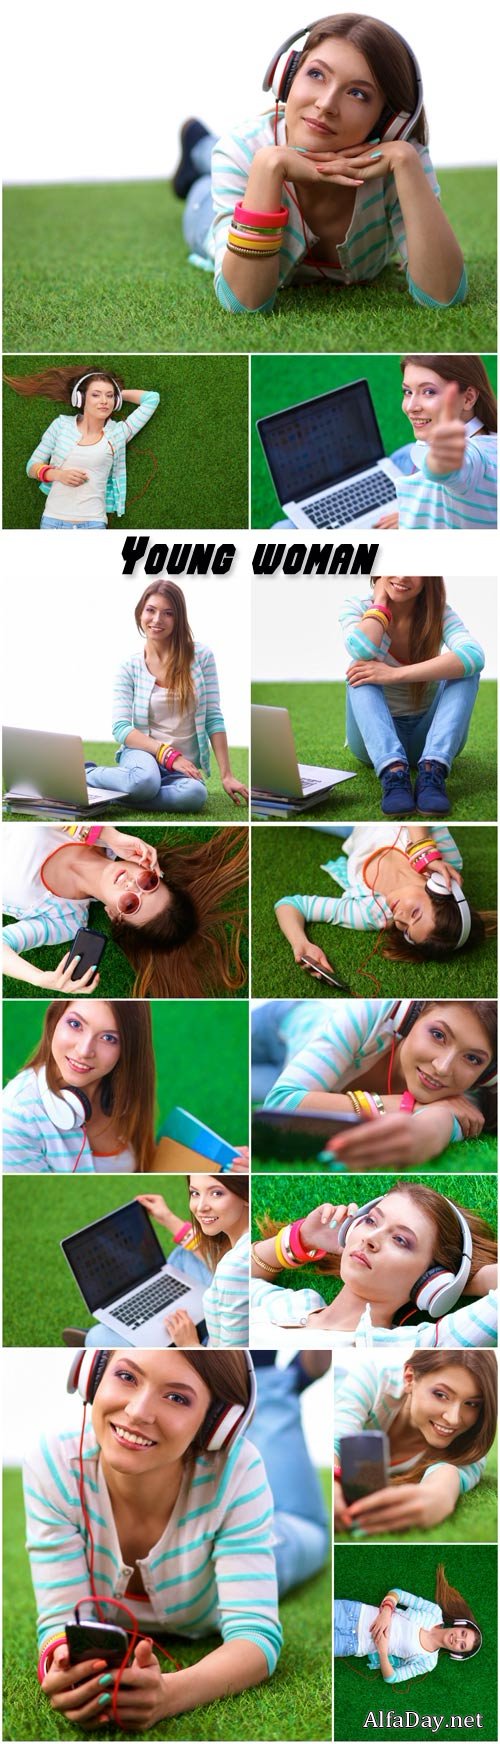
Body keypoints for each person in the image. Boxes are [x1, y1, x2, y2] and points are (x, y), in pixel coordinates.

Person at [24, 1350, 282, 1729]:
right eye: (127, 1377)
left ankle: (281, 1385)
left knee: (305, 1536)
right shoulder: (53, 1465)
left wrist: (170, 1694)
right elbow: (60, 1623)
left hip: (274, 1548)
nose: (138, 1412)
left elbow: (256, 1634)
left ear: (215, 1424)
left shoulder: (239, 1469)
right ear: (92, 1376)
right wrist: (59, 1661)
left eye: (177, 1397)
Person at [174, 16, 466, 314]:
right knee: (205, 181)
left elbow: (442, 295)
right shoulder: (242, 152)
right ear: (287, 76)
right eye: (316, 74)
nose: (326, 104)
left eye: (358, 93)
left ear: (388, 121)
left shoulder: (403, 161)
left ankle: (200, 144)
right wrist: (267, 167)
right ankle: (199, 144)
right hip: (210, 203)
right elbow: (243, 302)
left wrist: (406, 162)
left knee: (218, 154)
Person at [2, 821, 248, 999]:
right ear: (152, 868)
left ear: (113, 915)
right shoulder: (103, 833)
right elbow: (42, 804)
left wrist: (39, 979)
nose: (132, 885)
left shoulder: (65, 920)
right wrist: (110, 836)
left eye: (130, 904)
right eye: (148, 883)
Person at [260, 998, 497, 1171]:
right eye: (438, 1035)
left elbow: (436, 1126)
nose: (443, 1067)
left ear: (488, 1075)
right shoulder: (370, 1013)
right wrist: (407, 1106)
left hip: (287, 1075)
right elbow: (282, 1104)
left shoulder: (468, 1095)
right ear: (411, 1017)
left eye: (473, 1058)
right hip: (284, 1022)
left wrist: (425, 1134)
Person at [250, 1183, 497, 1348]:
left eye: (400, 1240)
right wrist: (300, 1239)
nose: (370, 1238)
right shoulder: (295, 1304)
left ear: (431, 1281)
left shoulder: (412, 1346)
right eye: (370, 1221)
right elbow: (231, 1277)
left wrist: (466, 1282)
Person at [85, 580, 248, 814]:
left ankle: (113, 795)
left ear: (178, 618)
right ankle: (87, 774)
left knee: (194, 795)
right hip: (143, 757)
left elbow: (213, 717)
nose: (157, 619)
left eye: (168, 613)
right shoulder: (129, 667)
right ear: (140, 613)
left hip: (183, 767)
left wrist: (227, 775)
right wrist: (166, 753)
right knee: (145, 781)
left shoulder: (201, 657)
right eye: (151, 610)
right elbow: (121, 728)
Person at [340, 576, 485, 816]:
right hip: (372, 743)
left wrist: (393, 675)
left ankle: (432, 769)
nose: (403, 576)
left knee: (467, 671)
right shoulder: (357, 606)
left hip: (428, 737)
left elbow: (474, 655)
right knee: (360, 667)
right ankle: (392, 770)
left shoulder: (438, 613)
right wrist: (380, 602)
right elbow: (361, 648)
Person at [274, 822, 495, 972]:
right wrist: (423, 851)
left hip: (350, 830)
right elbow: (420, 812)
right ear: (440, 890)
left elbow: (290, 905)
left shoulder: (372, 913)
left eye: (406, 930)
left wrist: (300, 942)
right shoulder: (445, 864)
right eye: (415, 913)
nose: (399, 918)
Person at [72, 1177, 250, 1349]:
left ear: (245, 1194)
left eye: (217, 1193)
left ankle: (139, 1339)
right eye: (195, 1193)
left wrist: (189, 1344)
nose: (201, 1207)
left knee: (98, 1337)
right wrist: (168, 1218)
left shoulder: (233, 1271)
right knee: (184, 1257)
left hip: (204, 1345)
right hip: (216, 1310)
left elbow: (226, 1358)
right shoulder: (246, 1242)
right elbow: (219, 1261)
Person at [334, 1349, 497, 1534]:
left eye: (472, 1404)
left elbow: (450, 1475)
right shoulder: (373, 1379)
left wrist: (441, 1495)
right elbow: (336, 1438)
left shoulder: (471, 1444)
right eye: (441, 1395)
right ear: (410, 1378)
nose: (453, 1419)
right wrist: (335, 1480)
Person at [2, 998, 155, 1173]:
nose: (84, 1051)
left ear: (129, 1048)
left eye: (108, 1038)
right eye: (75, 1024)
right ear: (55, 1020)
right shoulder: (15, 1119)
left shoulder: (121, 1089)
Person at [5, 366, 159, 527]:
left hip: (94, 523)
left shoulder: (118, 433)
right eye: (95, 395)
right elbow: (31, 467)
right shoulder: (61, 425)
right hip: (52, 522)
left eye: (110, 396)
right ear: (80, 398)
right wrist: (58, 475)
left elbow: (152, 399)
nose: (104, 401)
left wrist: (120, 395)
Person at [376, 357, 497, 531]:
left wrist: (441, 459)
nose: (410, 407)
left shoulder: (476, 461)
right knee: (403, 455)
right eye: (407, 392)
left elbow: (456, 468)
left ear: (468, 398)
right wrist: (411, 510)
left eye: (429, 392)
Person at [334, 1566, 482, 1681]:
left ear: (457, 1653)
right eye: (463, 1634)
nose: (458, 1639)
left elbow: (392, 1678)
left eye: (462, 1645)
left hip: (353, 1644)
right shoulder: (434, 1612)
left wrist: (383, 1652)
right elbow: (397, 1593)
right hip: (354, 1613)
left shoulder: (428, 1662)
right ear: (460, 1625)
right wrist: (386, 1613)